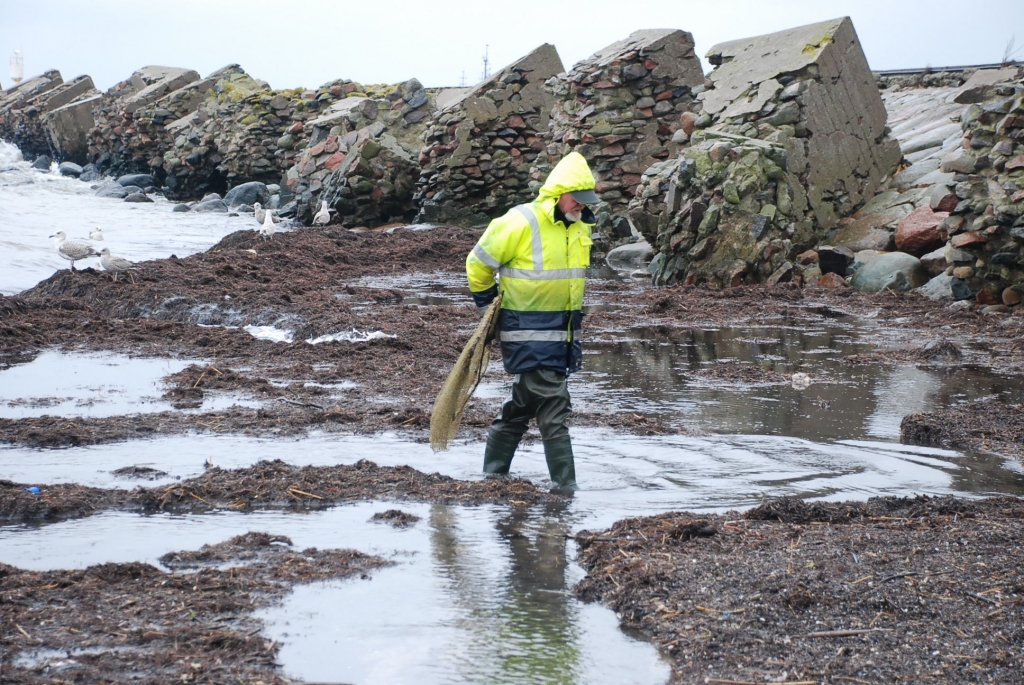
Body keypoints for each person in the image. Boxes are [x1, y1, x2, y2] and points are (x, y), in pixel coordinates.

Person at [465, 151, 599, 490]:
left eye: (585, 201)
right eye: (577, 200)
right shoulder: (520, 221)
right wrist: (486, 308)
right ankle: (566, 493)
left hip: (563, 332)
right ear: (558, 193)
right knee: (555, 407)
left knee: (522, 406)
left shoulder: (579, 226)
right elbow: (478, 264)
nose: (580, 206)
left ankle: (492, 477)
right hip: (526, 331)